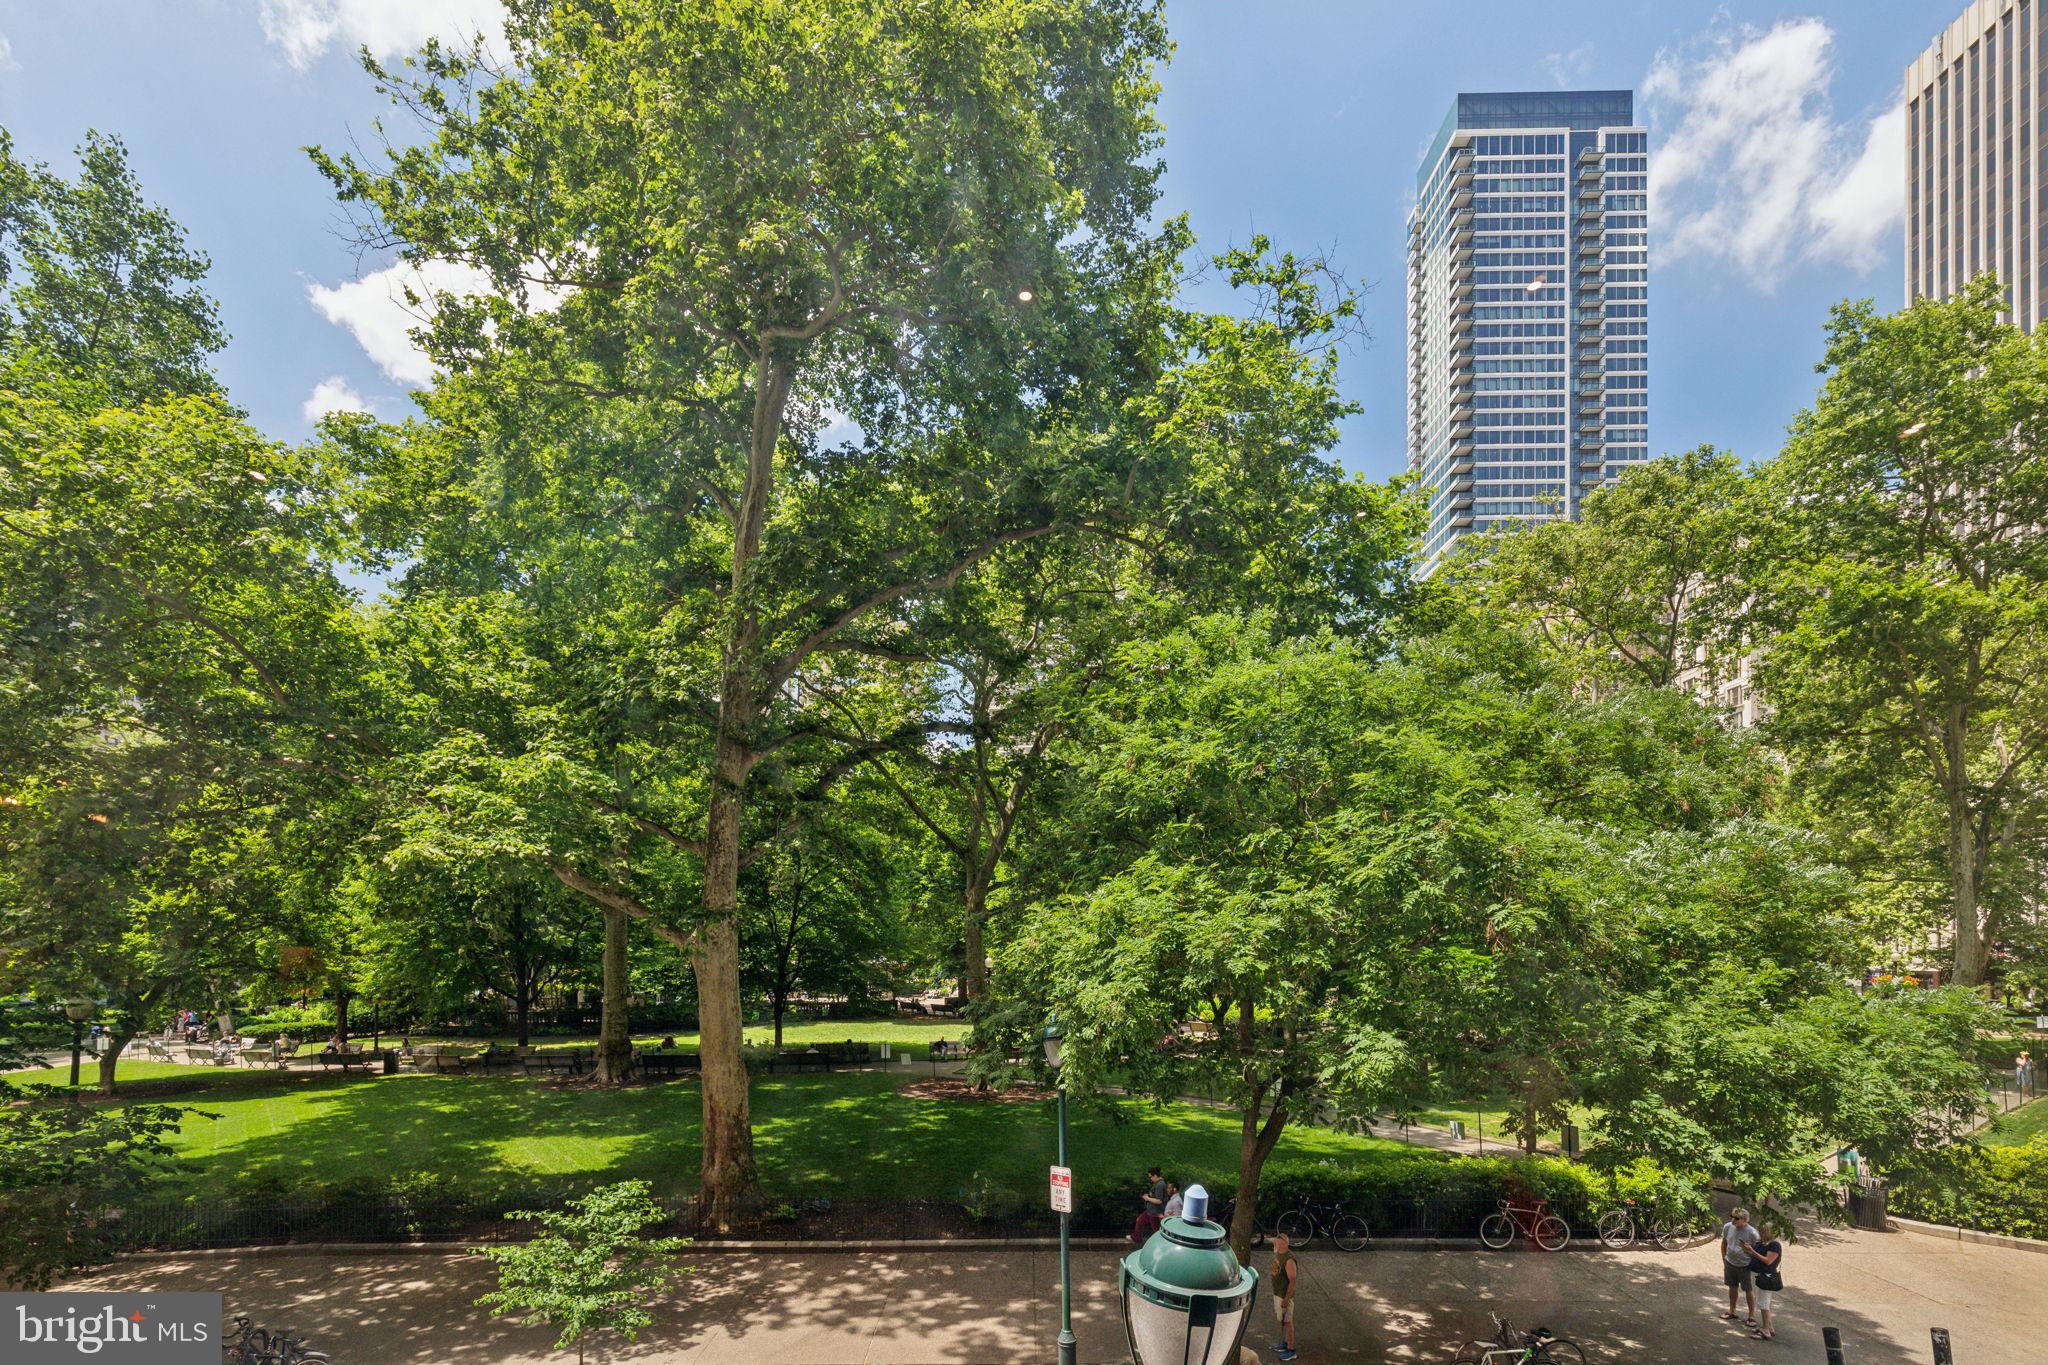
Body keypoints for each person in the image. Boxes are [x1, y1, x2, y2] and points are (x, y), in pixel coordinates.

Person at [1719, 1208, 1761, 1325]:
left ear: (1744, 1220)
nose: (1733, 1220)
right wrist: (1724, 1258)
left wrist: (1749, 1252)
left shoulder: (1752, 1233)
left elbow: (1757, 1250)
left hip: (1744, 1265)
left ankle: (1751, 1316)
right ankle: (1732, 1311)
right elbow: (1724, 1243)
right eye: (1732, 1216)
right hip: (1729, 1262)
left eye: (1736, 1218)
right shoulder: (1728, 1227)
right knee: (1732, 1287)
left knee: (1748, 1290)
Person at [1746, 1228, 1783, 1341]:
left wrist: (1752, 1252)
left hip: (1765, 1277)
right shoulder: (1760, 1243)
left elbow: (1768, 1260)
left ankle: (1765, 1330)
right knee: (1761, 1301)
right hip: (1756, 1274)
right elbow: (1753, 1254)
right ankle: (1769, 1327)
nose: (1759, 1233)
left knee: (1764, 1303)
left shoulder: (1774, 1245)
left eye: (1762, 1231)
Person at [1270, 1229, 1299, 1362]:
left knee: (1288, 1322)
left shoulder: (1289, 1260)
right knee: (1282, 1320)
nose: (1278, 1245)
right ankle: (1285, 1344)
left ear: (1286, 1245)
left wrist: (1287, 1298)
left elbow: (1292, 1281)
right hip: (1278, 1293)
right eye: (1277, 1243)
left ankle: (1291, 1350)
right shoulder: (1278, 1253)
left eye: (1281, 1243)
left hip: (1284, 1296)